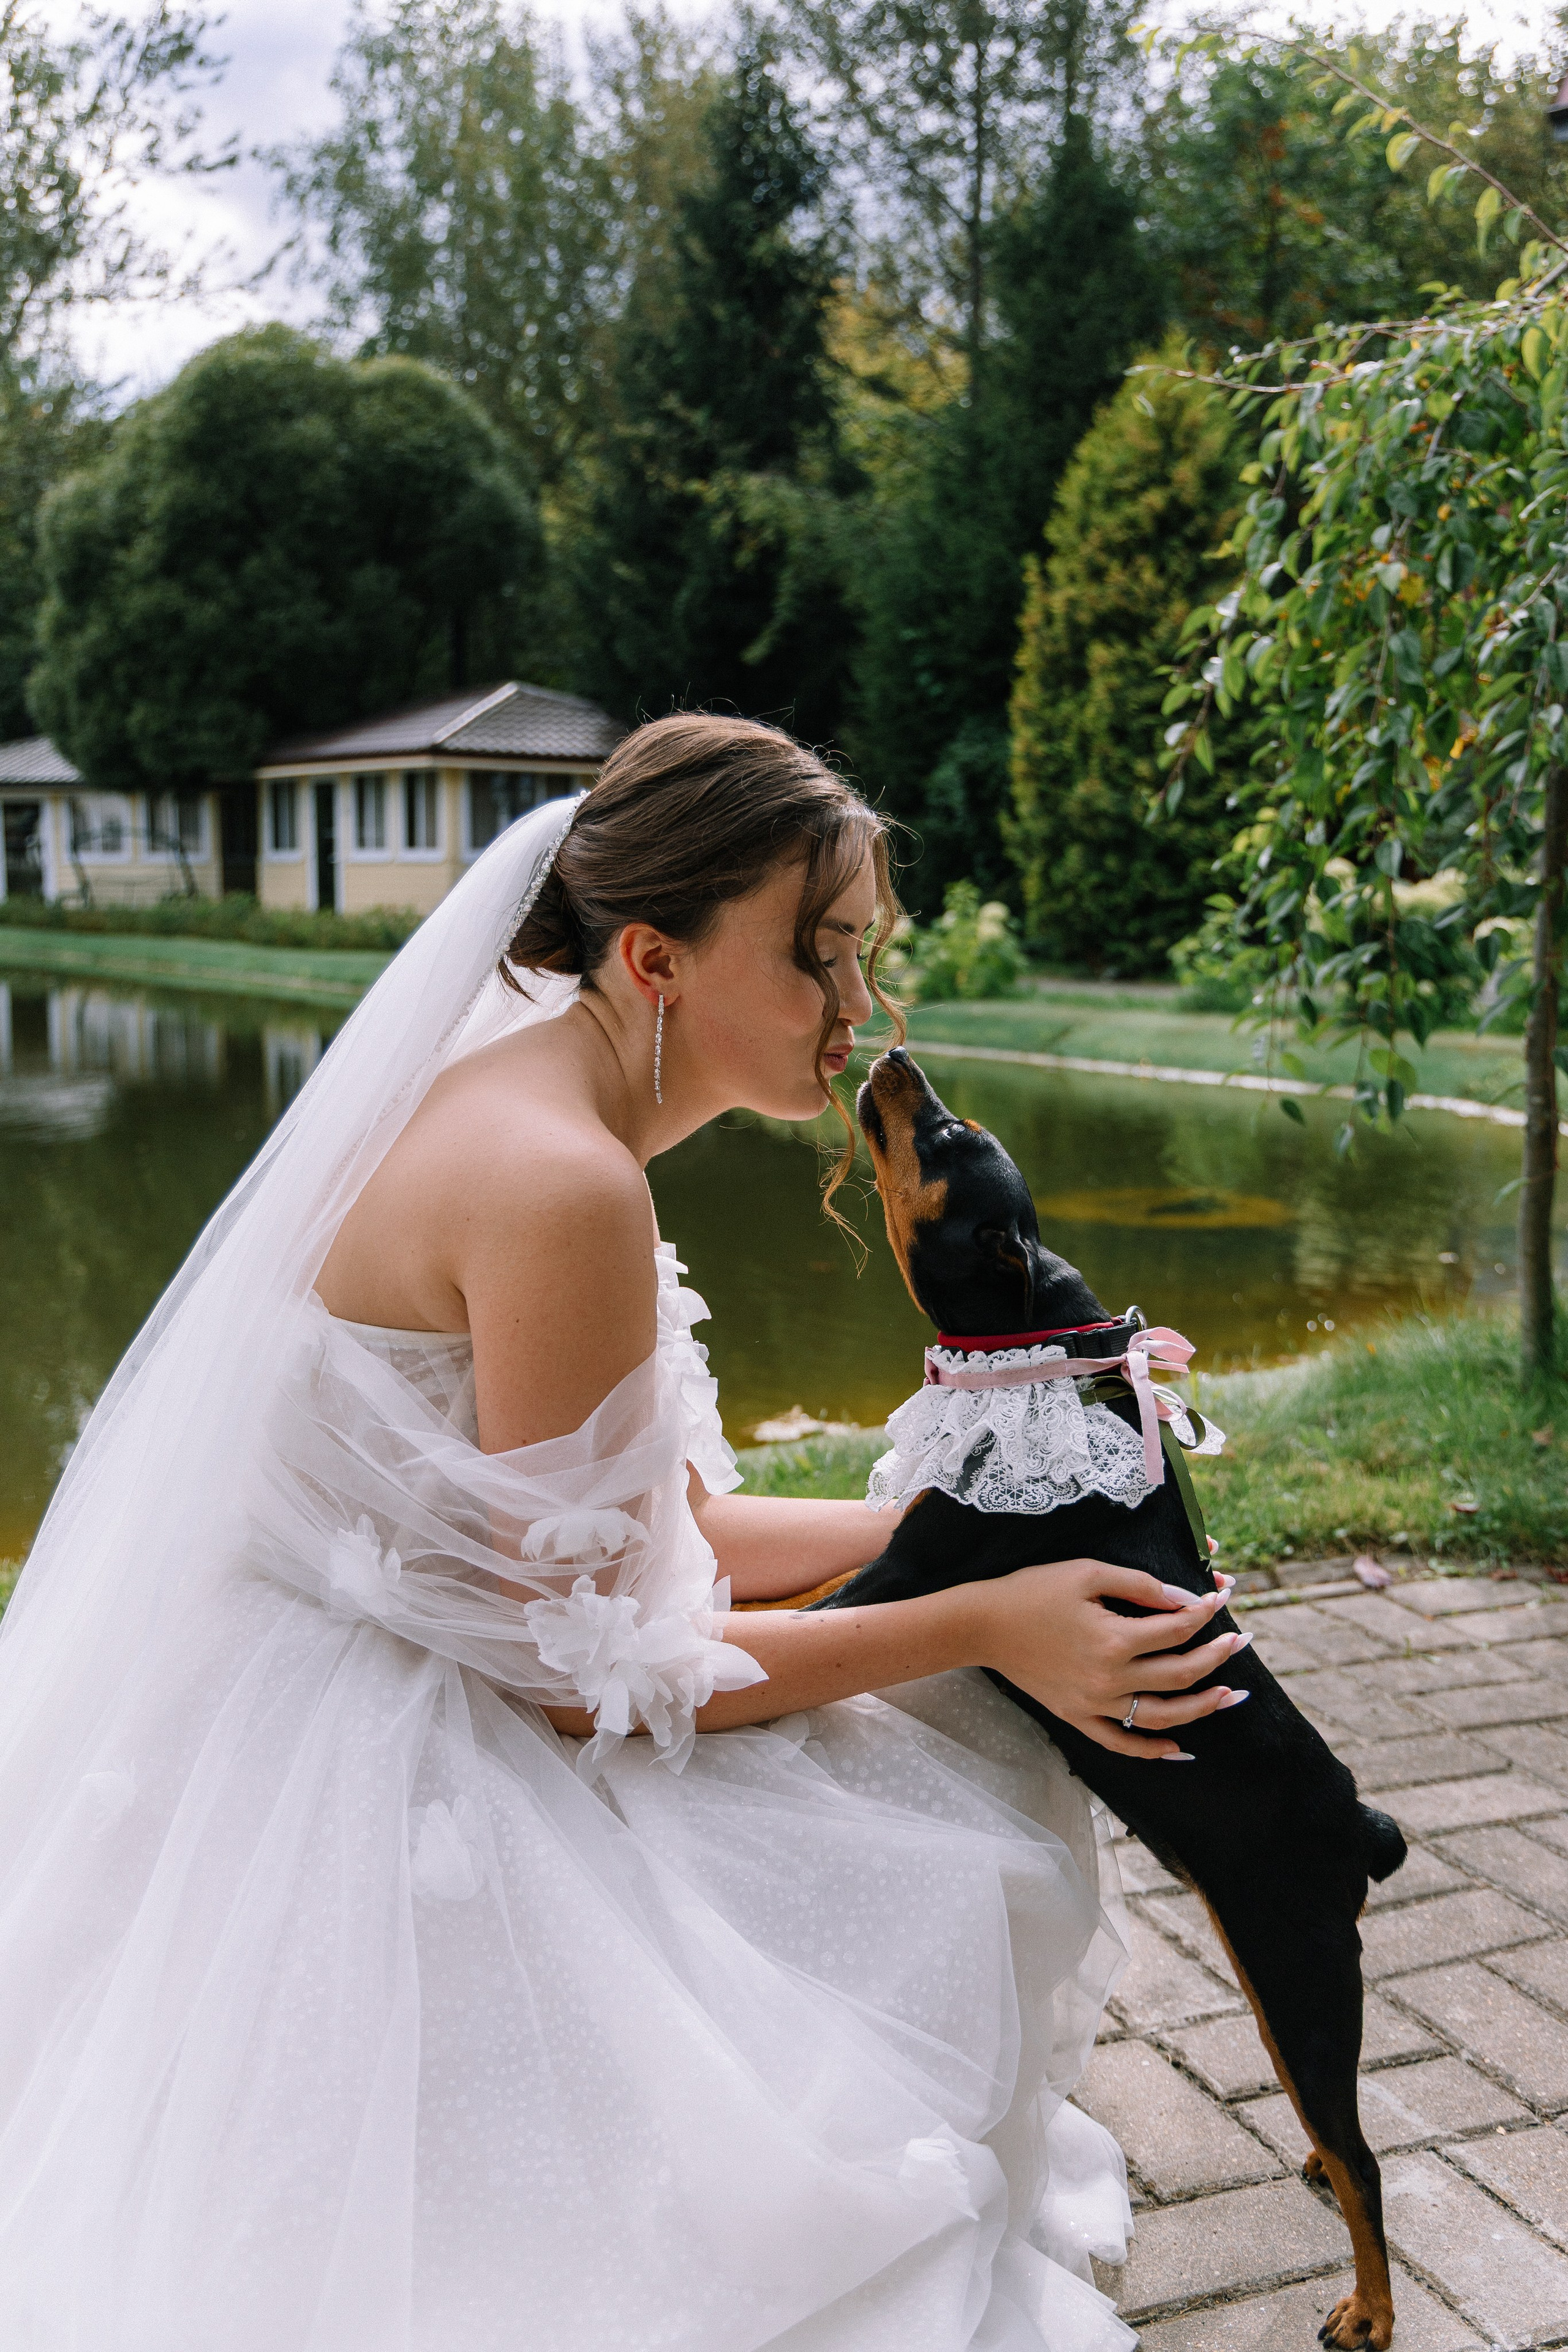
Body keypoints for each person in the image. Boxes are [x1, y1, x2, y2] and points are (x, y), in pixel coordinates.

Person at [0, 715, 1244, 2352]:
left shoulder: (534, 1087)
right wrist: (984, 1623)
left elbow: (685, 1522)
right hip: (399, 1742)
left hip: (410, 1648)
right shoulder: (561, 1185)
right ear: (658, 957)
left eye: (863, 953)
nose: (856, 1009)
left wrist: (981, 1522)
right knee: (936, 1805)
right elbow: (590, 1680)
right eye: (817, 959)